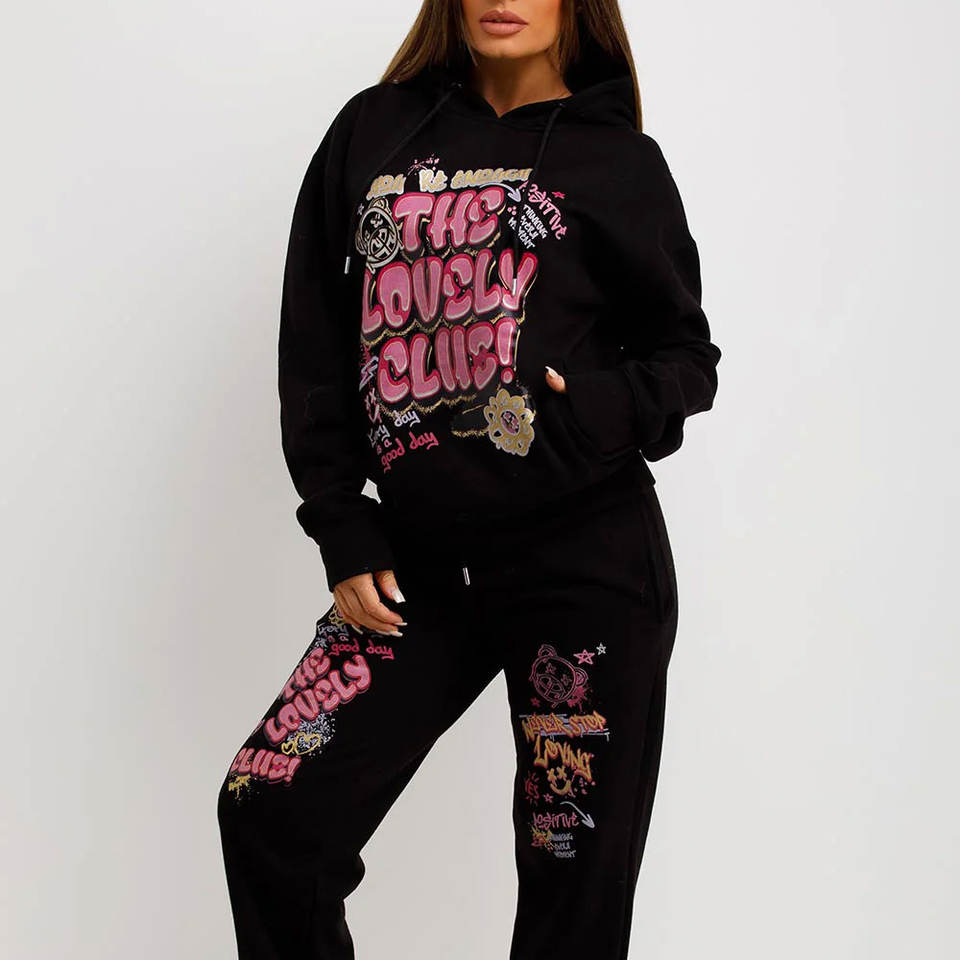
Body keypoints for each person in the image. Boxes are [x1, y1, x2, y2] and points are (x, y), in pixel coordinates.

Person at [217, 1, 722, 957]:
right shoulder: (374, 130)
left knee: (569, 899)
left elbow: (686, 360)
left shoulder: (617, 161)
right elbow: (315, 339)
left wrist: (589, 408)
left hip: (585, 566)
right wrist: (341, 523)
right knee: (270, 809)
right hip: (419, 568)